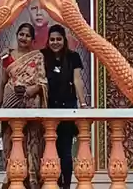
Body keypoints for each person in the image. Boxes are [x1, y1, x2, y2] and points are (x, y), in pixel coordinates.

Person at [0, 21, 47, 189]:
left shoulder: (37, 57)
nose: (23, 38)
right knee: (10, 138)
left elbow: (42, 81)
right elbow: (3, 82)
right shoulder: (7, 56)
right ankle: (11, 175)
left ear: (32, 39)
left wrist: (32, 90)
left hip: (30, 102)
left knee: (32, 139)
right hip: (10, 101)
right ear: (17, 35)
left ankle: (32, 176)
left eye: (27, 35)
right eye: (21, 34)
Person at [42, 24, 87, 189]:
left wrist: (82, 104)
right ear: (48, 40)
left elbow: (77, 80)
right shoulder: (42, 55)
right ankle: (50, 182)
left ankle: (66, 184)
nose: (55, 42)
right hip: (47, 108)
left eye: (58, 39)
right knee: (48, 147)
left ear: (64, 40)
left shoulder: (73, 57)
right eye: (52, 39)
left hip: (67, 105)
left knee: (66, 149)